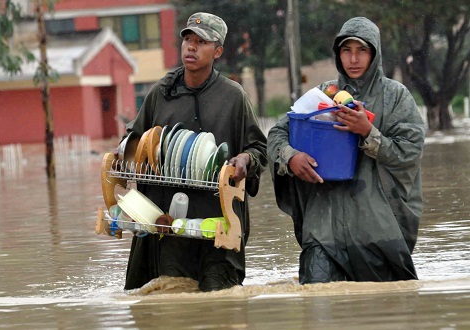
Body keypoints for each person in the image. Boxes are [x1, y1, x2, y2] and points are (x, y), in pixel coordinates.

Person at [267, 17, 426, 284]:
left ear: (374, 54)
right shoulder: (323, 95)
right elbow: (277, 132)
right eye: (346, 50)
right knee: (317, 304)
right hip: (322, 232)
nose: (353, 58)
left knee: (386, 313)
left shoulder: (396, 97)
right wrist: (290, 156)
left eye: (361, 50)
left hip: (377, 233)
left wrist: (368, 132)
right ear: (338, 54)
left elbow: (409, 153)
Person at [119, 12, 268, 292]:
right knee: (172, 294)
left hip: (218, 222)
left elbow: (259, 148)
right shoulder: (161, 93)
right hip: (169, 227)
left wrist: (244, 159)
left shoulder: (233, 97)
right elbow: (133, 144)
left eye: (202, 42)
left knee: (219, 296)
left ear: (218, 51)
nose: (191, 47)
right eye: (188, 39)